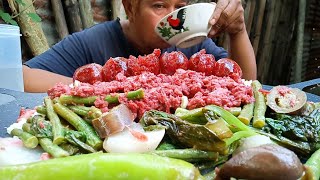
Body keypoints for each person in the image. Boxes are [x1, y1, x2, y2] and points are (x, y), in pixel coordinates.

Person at [23, 0, 256, 92]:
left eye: (179, 6)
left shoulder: (193, 45)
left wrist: (238, 31)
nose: (173, 19)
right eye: (159, 6)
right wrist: (100, 87)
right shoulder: (93, 42)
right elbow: (22, 78)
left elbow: (245, 82)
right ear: (131, 7)